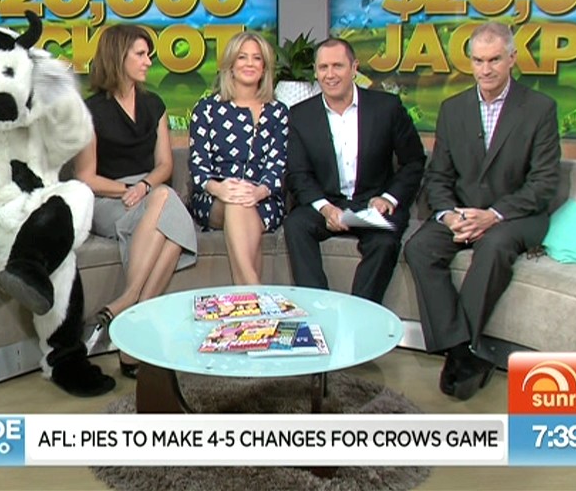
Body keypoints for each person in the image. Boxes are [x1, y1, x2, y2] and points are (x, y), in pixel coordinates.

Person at [403, 21, 561, 401]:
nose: (485, 69)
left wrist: (493, 215)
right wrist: (449, 215)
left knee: (493, 247)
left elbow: (543, 183)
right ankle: (463, 351)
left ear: (512, 59)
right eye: (478, 61)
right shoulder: (453, 109)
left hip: (515, 216)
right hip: (461, 211)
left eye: (494, 60)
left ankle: (460, 353)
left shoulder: (539, 109)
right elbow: (439, 175)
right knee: (419, 248)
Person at [75, 23, 198, 379]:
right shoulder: (90, 111)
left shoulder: (153, 105)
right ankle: (132, 316)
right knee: (169, 215)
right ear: (119, 57)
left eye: (149, 55)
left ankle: (129, 313)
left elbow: (165, 166)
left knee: (166, 208)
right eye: (141, 54)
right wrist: (126, 189)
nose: (148, 62)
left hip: (149, 192)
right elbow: (86, 177)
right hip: (108, 198)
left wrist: (144, 186)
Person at [283, 37, 426, 304]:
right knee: (296, 225)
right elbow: (298, 174)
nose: (330, 74)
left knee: (385, 241)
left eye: (337, 66)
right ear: (316, 72)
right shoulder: (301, 115)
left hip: (373, 203)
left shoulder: (387, 108)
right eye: (323, 67)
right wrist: (325, 209)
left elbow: (414, 161)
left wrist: (388, 198)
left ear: (354, 68)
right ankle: (318, 307)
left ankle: (360, 312)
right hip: (329, 202)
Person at [188, 31, 289, 284]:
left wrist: (258, 192)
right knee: (235, 202)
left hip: (264, 199)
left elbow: (278, 164)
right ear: (230, 64)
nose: (249, 63)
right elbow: (198, 165)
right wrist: (220, 189)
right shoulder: (207, 109)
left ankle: (248, 293)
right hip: (214, 198)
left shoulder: (278, 112)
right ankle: (256, 289)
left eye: (257, 58)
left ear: (264, 67)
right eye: (242, 57)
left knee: (241, 203)